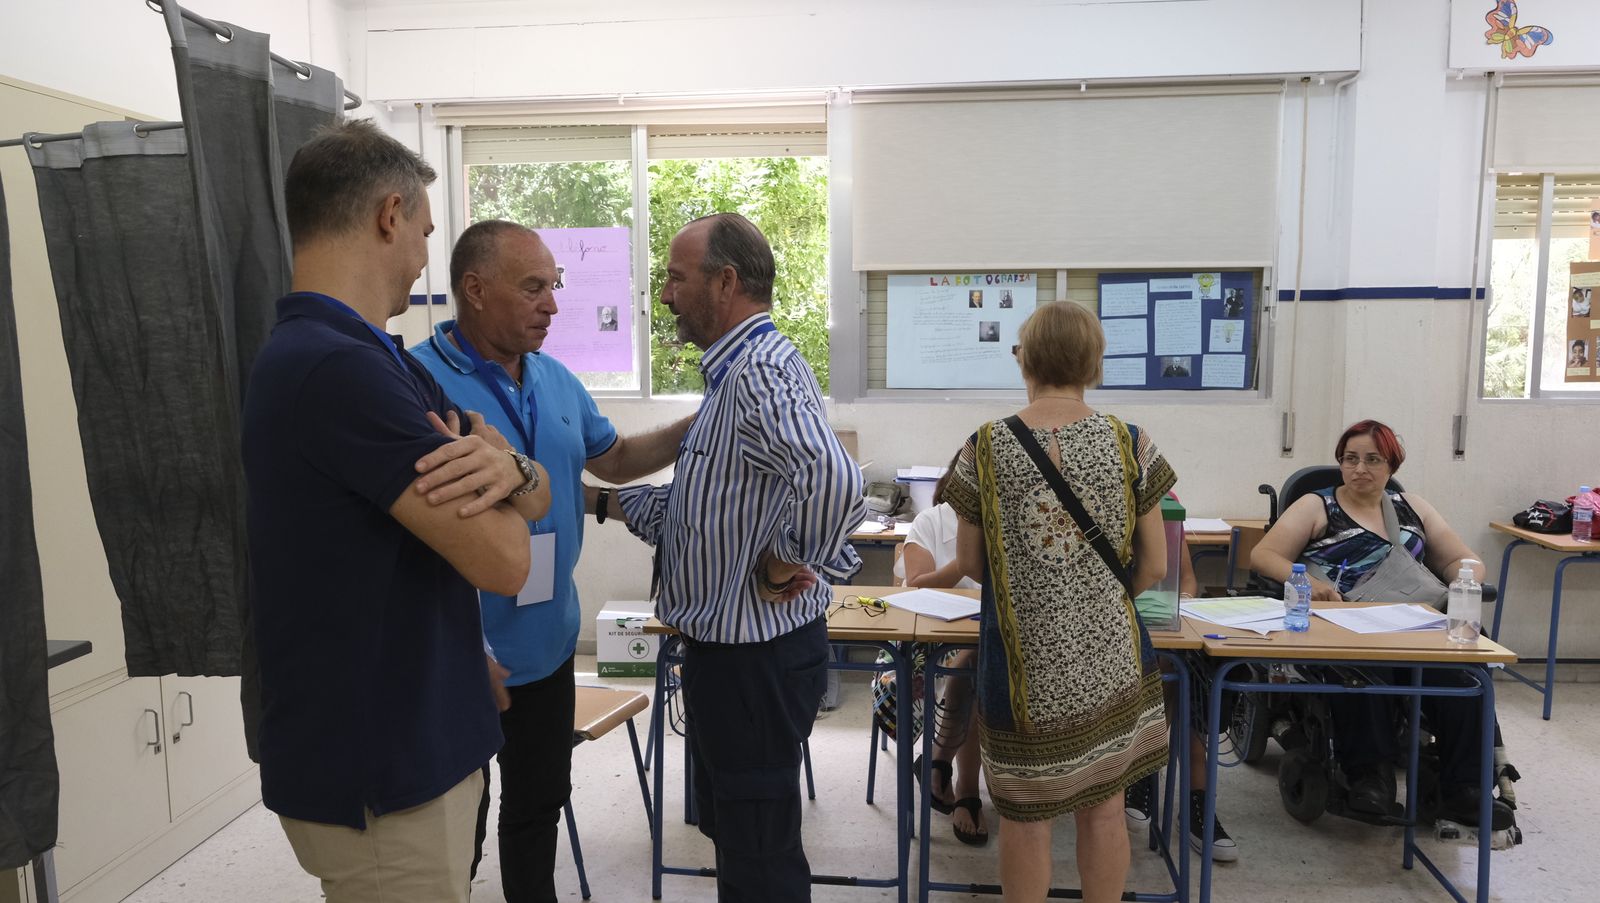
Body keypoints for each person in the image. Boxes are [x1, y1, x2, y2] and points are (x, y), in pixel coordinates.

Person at [242, 120, 553, 903]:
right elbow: (507, 559)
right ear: (389, 215)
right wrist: (508, 481)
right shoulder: (336, 369)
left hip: (421, 725)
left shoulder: (376, 357)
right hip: (382, 764)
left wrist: (511, 468)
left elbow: (537, 490)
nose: (422, 256)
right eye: (424, 232)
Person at [410, 221, 693, 903]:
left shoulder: (556, 379)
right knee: (457, 826)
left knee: (538, 806)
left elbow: (614, 460)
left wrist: (695, 426)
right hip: (461, 650)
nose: (553, 305)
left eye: (554, 285)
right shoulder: (417, 382)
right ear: (476, 289)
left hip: (548, 641)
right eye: (534, 287)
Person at [603, 213, 865, 902]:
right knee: (743, 840)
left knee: (759, 858)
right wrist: (597, 500)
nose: (665, 295)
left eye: (675, 278)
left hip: (755, 661)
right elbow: (704, 513)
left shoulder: (759, 371)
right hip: (733, 661)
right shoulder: (732, 377)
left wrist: (786, 560)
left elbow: (836, 481)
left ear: (725, 282)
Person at [944, 301, 1173, 903]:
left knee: (1025, 817)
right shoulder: (1131, 443)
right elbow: (1156, 565)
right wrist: (1097, 600)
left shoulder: (984, 447)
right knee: (1105, 808)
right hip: (1109, 664)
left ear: (1026, 360)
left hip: (1023, 670)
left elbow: (970, 563)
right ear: (1094, 362)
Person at [1250, 419, 1515, 831]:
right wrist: (1308, 584)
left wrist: (1464, 581)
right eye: (1350, 459)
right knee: (1365, 672)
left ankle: (1464, 790)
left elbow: (1459, 559)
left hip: (1414, 626)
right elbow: (1265, 556)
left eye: (1373, 459)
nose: (1360, 468)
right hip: (1346, 625)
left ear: (1391, 465)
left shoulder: (1413, 507)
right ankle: (1369, 779)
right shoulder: (1317, 506)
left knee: (1463, 678)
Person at [1122, 530, 1239, 862]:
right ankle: (1147, 769)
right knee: (1164, 664)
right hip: (1101, 624)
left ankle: (1188, 796)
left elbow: (1185, 577)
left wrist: (1181, 601)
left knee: (1187, 666)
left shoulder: (1162, 510)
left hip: (1154, 621)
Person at [889, 456, 987, 846]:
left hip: (985, 640)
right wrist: (965, 563)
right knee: (974, 667)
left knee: (982, 660)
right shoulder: (932, 521)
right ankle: (966, 790)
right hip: (925, 643)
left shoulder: (1010, 522)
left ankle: (937, 761)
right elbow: (915, 586)